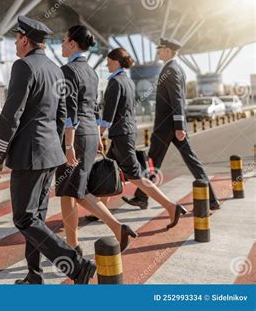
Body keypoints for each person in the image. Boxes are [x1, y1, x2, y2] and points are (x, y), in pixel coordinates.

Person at [0, 16, 96, 285]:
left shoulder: (23, 67)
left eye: (16, 38)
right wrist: (54, 144)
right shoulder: (54, 69)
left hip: (29, 155)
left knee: (24, 219)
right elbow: (62, 115)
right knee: (36, 218)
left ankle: (76, 265)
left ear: (25, 40)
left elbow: (11, 116)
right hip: (50, 153)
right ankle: (34, 275)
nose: (15, 43)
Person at [56, 25, 137, 253]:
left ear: (72, 43)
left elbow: (70, 111)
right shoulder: (91, 71)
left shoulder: (68, 70)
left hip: (76, 136)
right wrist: (97, 137)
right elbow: (93, 106)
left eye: (63, 40)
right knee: (74, 190)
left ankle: (80, 243)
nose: (62, 44)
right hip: (90, 132)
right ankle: (84, 239)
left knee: (71, 191)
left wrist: (68, 144)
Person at [122, 38, 221, 210]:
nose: (158, 52)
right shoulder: (174, 68)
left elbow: (177, 100)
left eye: (160, 49)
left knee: (153, 161)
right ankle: (211, 199)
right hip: (172, 128)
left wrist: (180, 127)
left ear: (167, 50)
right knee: (182, 161)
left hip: (166, 128)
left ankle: (142, 197)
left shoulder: (171, 69)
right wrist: (179, 126)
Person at [100, 48, 187, 229]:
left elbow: (108, 114)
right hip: (124, 134)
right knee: (108, 173)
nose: (106, 64)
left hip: (121, 135)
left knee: (137, 177)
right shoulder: (128, 81)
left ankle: (171, 207)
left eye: (108, 60)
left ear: (116, 61)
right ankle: (101, 210)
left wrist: (98, 134)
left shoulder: (115, 82)